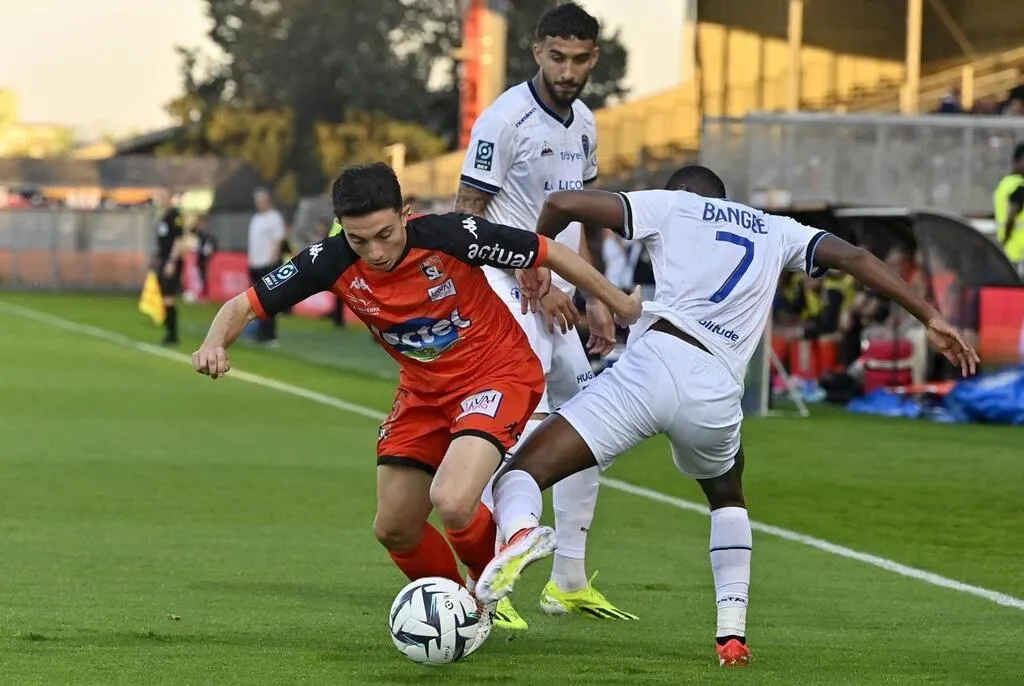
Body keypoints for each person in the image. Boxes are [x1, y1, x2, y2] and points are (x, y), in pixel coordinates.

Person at [473, 165, 979, 666]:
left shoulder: (673, 205)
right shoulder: (776, 229)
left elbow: (563, 203)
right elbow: (856, 256)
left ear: (680, 193)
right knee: (726, 494)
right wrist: (930, 317)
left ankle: (520, 533)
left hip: (653, 366)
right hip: (716, 390)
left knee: (520, 473)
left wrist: (536, 258)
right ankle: (731, 636)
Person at [191, 163, 640, 654]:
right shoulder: (330, 259)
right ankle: (468, 608)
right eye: (360, 240)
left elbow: (546, 249)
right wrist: (214, 343)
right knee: (395, 527)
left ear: (405, 214)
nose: (376, 252)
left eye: (385, 234)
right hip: (423, 394)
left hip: (498, 373)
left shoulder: (449, 235)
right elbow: (240, 307)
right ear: (342, 228)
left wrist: (619, 303)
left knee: (452, 499)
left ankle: (484, 587)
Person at [453, 1, 633, 627]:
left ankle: (568, 579)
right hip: (504, 296)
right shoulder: (503, 119)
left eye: (580, 59)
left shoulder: (584, 121)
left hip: (556, 300)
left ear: (594, 59)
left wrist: (590, 295)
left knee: (584, 431)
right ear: (536, 53)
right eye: (557, 57)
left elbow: (579, 214)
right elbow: (466, 218)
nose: (568, 70)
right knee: (503, 434)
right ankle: (483, 581)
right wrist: (533, 271)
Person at [247, 188, 287, 344]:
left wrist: (273, 259)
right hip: (255, 264)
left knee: (269, 300)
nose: (260, 204)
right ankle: (260, 331)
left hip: (268, 264)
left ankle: (270, 334)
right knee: (257, 301)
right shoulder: (256, 218)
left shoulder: (274, 218)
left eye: (262, 201)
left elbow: (278, 239)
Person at [151, 187, 186, 346]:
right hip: (163, 260)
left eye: (164, 196)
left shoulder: (175, 216)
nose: (161, 199)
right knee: (164, 296)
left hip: (171, 262)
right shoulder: (162, 216)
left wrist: (172, 261)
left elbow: (179, 241)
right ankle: (168, 332)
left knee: (169, 297)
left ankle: (172, 335)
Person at [992, 142, 1024, 277]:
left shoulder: (1004, 184)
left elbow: (1000, 213)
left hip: (1008, 252)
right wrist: (1006, 237)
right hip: (1020, 252)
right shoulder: (1020, 186)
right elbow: (1012, 212)